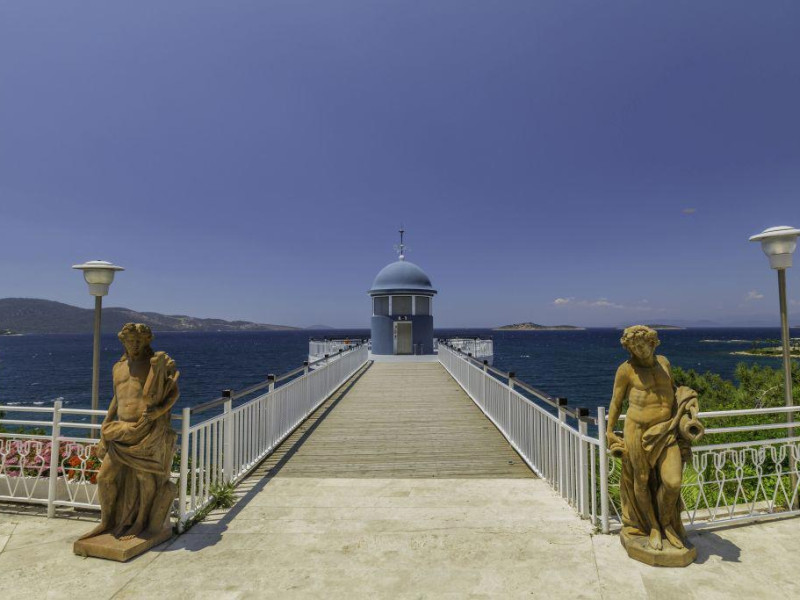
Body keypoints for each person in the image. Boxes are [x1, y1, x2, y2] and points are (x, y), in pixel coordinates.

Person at [606, 325, 702, 553]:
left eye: (642, 345)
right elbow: (616, 403)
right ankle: (654, 527)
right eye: (633, 347)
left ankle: (667, 523)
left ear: (652, 343)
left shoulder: (664, 363)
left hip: (666, 431)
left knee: (673, 482)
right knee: (641, 480)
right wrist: (610, 431)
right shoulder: (626, 370)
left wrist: (686, 402)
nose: (638, 350)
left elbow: (672, 390)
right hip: (637, 432)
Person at [79, 323, 179, 541]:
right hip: (120, 430)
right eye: (130, 341)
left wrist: (159, 411)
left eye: (139, 341)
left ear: (146, 341)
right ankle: (106, 521)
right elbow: (117, 397)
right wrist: (105, 426)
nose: (134, 345)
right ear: (123, 341)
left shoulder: (154, 365)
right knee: (104, 477)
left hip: (145, 429)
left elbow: (173, 392)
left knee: (144, 476)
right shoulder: (118, 367)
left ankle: (141, 521)